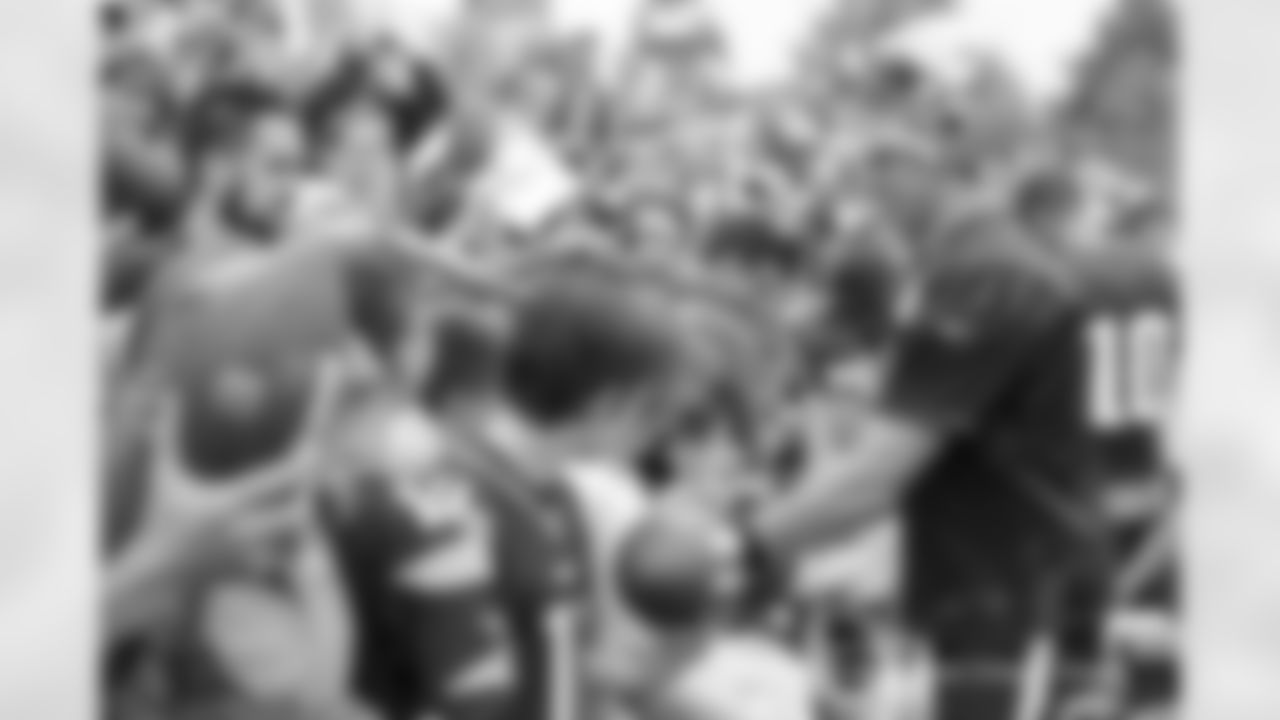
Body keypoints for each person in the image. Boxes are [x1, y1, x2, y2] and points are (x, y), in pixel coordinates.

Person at [723, 205, 1110, 720]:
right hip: (996, 589)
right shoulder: (969, 323)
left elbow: (866, 489)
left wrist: (740, 549)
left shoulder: (983, 297)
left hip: (1004, 600)